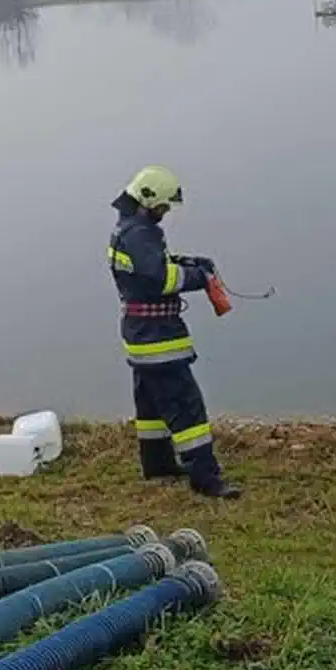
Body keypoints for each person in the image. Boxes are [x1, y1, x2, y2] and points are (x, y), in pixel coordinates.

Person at [107, 165, 241, 500]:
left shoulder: (129, 229)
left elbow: (148, 267)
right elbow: (160, 279)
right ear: (147, 199)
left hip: (140, 334)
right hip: (158, 338)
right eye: (163, 206)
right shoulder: (140, 234)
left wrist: (187, 261)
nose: (166, 212)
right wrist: (198, 277)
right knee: (186, 405)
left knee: (151, 404)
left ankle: (158, 464)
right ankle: (206, 479)